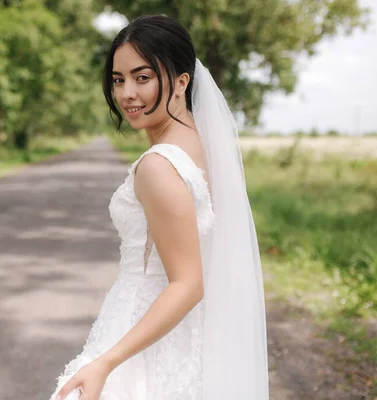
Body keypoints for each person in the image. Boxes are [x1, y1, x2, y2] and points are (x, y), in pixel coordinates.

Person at [50, 15, 269, 400]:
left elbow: (187, 284)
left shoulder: (158, 166)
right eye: (118, 80)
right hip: (182, 334)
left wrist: (105, 362)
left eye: (143, 77)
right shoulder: (203, 148)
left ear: (182, 81)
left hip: (138, 329)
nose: (127, 93)